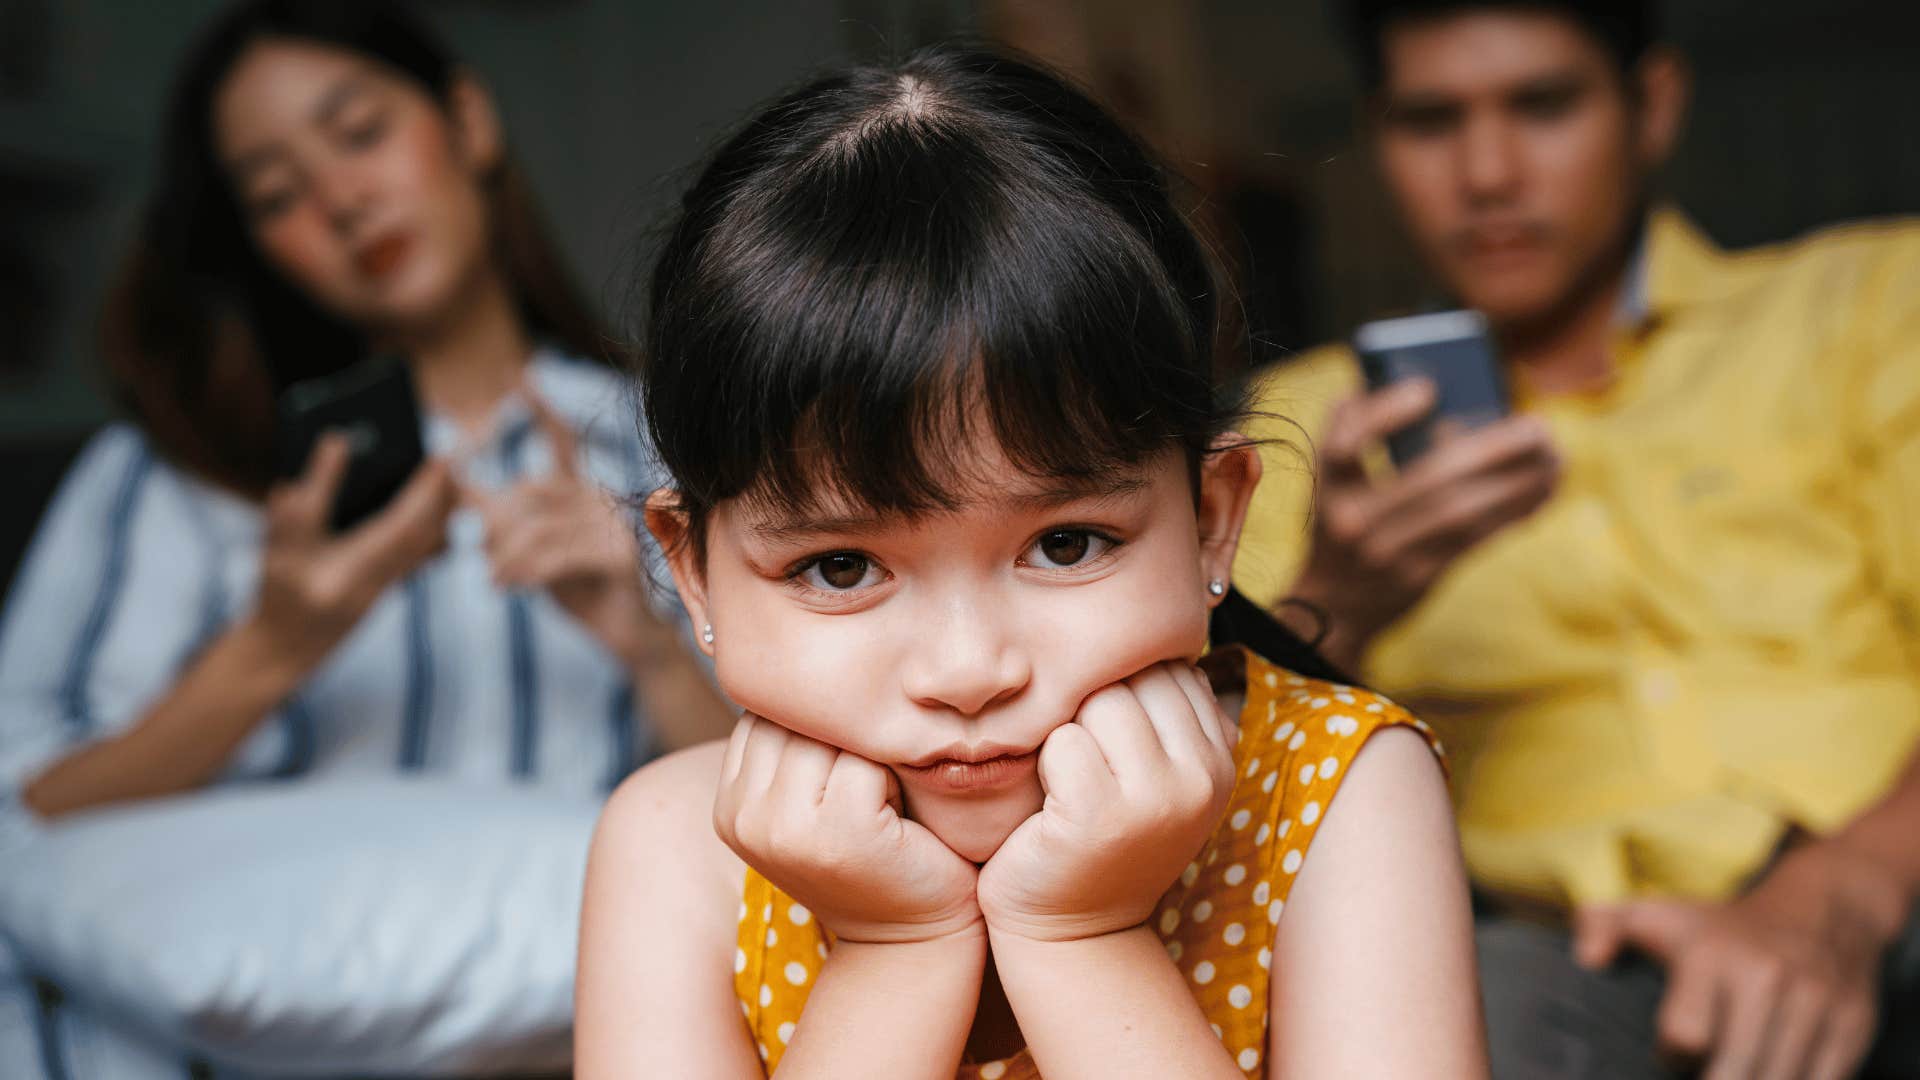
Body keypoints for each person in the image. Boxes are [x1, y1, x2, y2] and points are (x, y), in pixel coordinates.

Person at [574, 44, 1485, 1079]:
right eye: (839, 568)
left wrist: (1082, 938)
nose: (968, 672)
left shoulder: (1334, 797)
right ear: (694, 575)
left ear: (1212, 523)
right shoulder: (679, 851)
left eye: (1065, 545)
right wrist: (893, 954)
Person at [1231, 1, 1920, 1076]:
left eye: (1543, 106)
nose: (1490, 173)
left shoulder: (1868, 304)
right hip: (1564, 959)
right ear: (1378, 141)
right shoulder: (1296, 429)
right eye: (1431, 121)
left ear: (1652, 106)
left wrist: (1845, 888)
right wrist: (1341, 601)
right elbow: (1205, 810)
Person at [0, 0, 730, 824]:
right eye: (277, 195)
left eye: (359, 133)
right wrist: (271, 648)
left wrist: (650, 646)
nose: (342, 200)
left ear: (468, 120)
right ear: (256, 246)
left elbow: (795, 815)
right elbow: (28, 808)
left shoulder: (677, 441)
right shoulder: (174, 470)